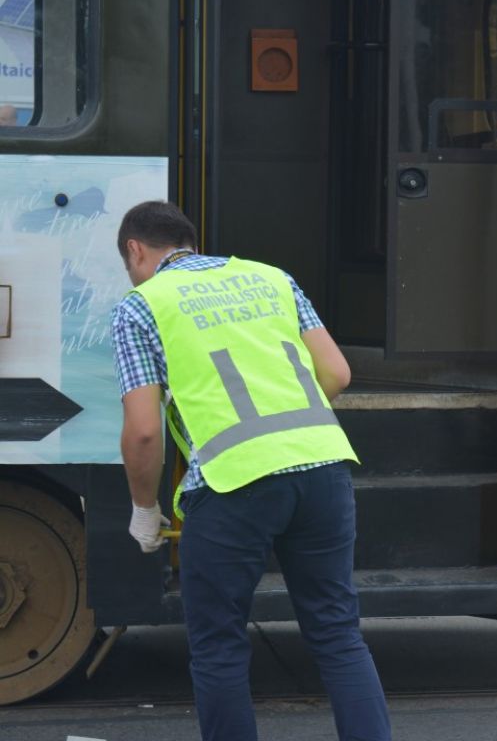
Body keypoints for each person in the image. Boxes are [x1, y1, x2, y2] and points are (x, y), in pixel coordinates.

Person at [110, 201, 391, 741]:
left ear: (135, 250)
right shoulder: (272, 278)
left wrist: (144, 509)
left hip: (232, 482)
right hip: (323, 467)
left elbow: (143, 431)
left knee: (219, 646)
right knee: (337, 634)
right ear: (191, 243)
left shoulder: (141, 306)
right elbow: (336, 373)